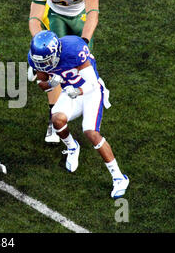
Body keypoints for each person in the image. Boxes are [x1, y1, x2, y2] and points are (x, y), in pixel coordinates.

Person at [27, 30, 129, 199]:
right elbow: (42, 84)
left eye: (47, 60)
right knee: (56, 119)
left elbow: (93, 83)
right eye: (41, 61)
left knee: (91, 132)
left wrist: (78, 91)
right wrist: (52, 82)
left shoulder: (74, 49)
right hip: (70, 91)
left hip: (90, 91)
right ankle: (72, 147)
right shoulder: (38, 57)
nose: (45, 64)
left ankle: (119, 177)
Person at [28, 0, 101, 143]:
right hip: (56, 16)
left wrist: (83, 42)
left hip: (81, 16)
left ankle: (93, 95)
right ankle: (54, 118)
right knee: (53, 66)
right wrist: (41, 45)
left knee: (83, 62)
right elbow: (34, 19)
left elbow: (93, 12)